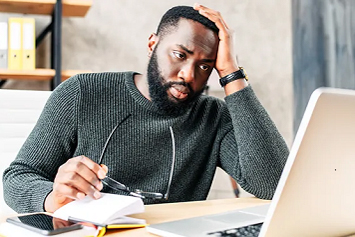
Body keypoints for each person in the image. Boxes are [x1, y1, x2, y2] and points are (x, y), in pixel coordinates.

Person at [3, 4, 289, 214]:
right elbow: (18, 178)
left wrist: (232, 73)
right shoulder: (82, 92)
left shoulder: (213, 116)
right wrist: (53, 197)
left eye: (205, 65)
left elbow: (274, 184)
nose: (189, 75)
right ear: (153, 44)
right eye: (180, 55)